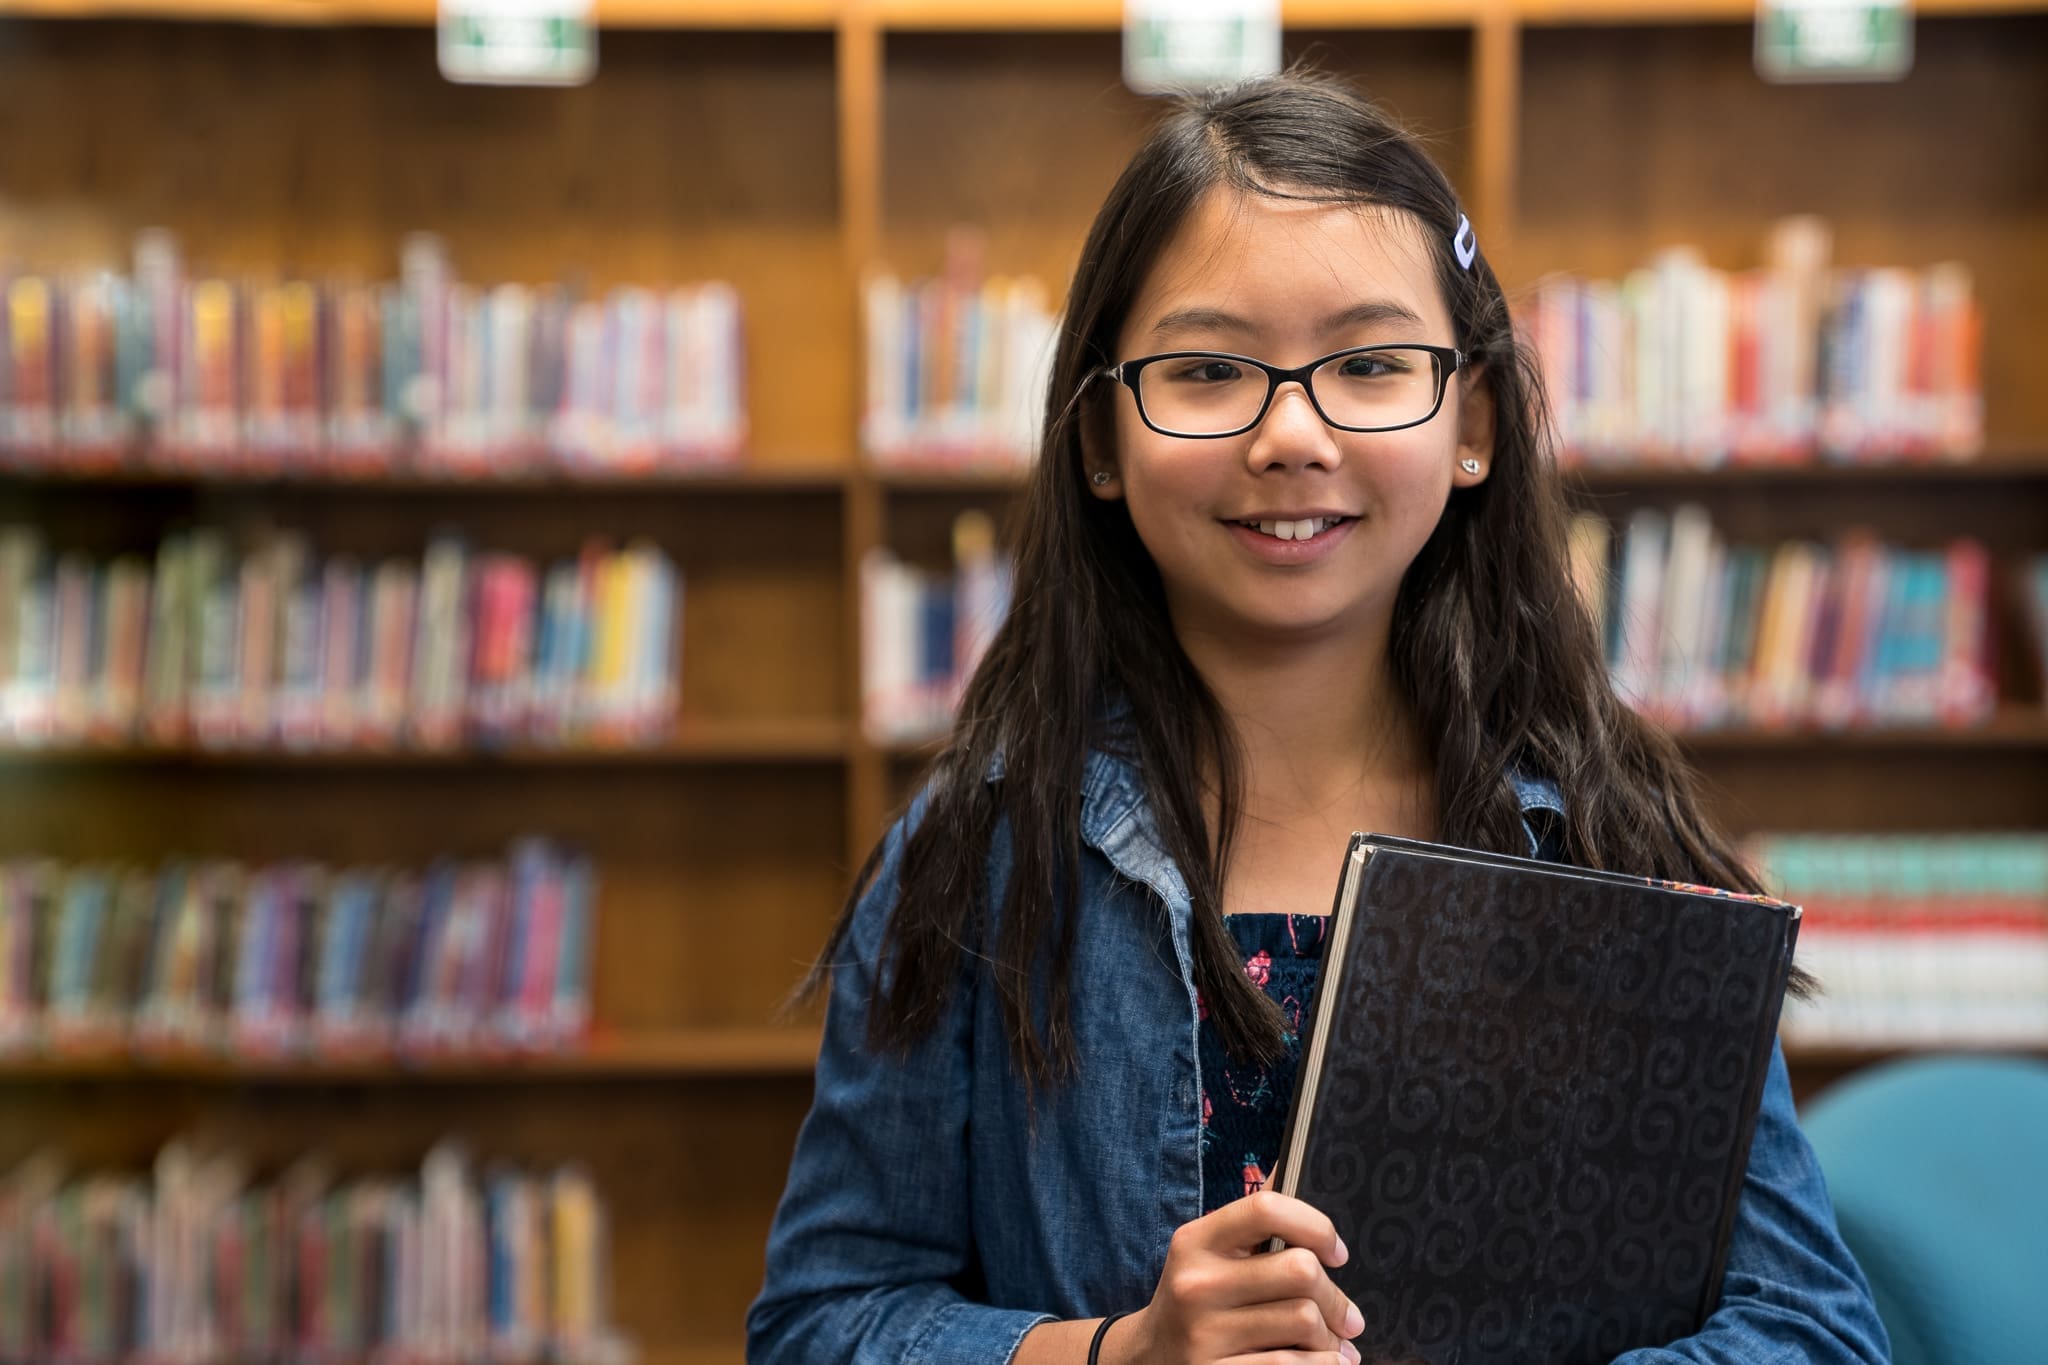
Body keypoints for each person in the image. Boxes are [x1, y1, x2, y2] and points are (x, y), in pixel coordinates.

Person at [746, 71, 1889, 1365]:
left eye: (1370, 363)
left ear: (1474, 424)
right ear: (1100, 442)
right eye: (1208, 368)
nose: (1292, 433)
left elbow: (1810, 1327)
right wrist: (1122, 1354)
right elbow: (822, 1323)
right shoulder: (980, 855)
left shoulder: (1606, 843)